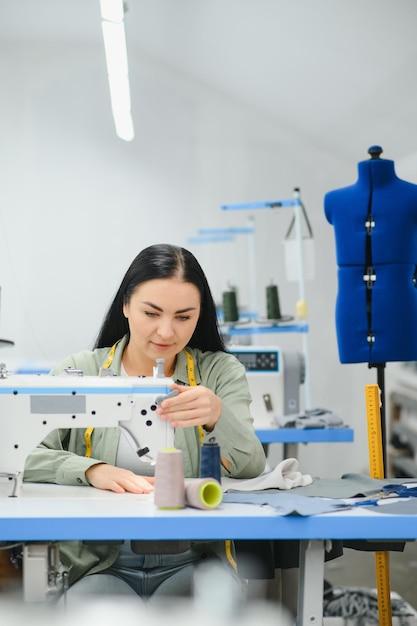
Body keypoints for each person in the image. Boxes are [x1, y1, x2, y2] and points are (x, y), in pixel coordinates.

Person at [23, 243, 267, 602]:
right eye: (151, 313)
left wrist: (218, 416)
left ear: (201, 315)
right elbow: (21, 455)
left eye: (183, 317)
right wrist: (92, 469)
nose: (166, 332)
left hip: (193, 560)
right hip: (98, 564)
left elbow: (250, 466)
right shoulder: (81, 372)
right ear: (125, 305)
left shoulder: (218, 372)